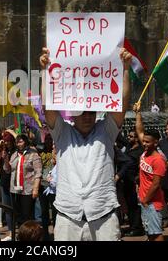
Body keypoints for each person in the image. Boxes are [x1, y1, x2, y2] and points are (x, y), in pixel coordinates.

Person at [39, 46, 132, 241]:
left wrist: (124, 69)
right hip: (67, 216)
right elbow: (47, 106)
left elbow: (121, 103)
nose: (87, 116)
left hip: (103, 215)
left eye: (91, 111)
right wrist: (45, 71)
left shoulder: (106, 130)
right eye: (82, 111)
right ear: (73, 113)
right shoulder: (62, 132)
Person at [134, 102, 166, 241]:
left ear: (156, 143)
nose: (144, 144)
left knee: (156, 234)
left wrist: (145, 200)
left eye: (148, 142)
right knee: (150, 233)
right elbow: (140, 130)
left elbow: (156, 184)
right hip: (145, 201)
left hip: (152, 203)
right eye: (144, 141)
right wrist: (137, 113)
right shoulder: (146, 152)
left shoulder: (158, 160)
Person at [9, 134, 42, 226]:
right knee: (17, 215)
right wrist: (5, 159)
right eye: (17, 142)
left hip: (28, 189)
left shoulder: (33, 154)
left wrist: (35, 188)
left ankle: (28, 235)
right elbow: (8, 169)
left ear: (26, 142)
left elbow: (38, 172)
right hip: (15, 189)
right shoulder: (14, 154)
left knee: (27, 215)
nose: (18, 144)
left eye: (20, 142)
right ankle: (20, 234)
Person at [117, 130, 144, 237]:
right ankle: (132, 225)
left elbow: (141, 166)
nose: (128, 137)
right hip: (125, 182)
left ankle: (137, 228)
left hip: (134, 182)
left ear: (137, 138)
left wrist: (138, 179)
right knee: (128, 205)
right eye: (128, 136)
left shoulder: (140, 151)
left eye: (131, 136)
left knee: (134, 206)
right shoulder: (129, 147)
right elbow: (119, 137)